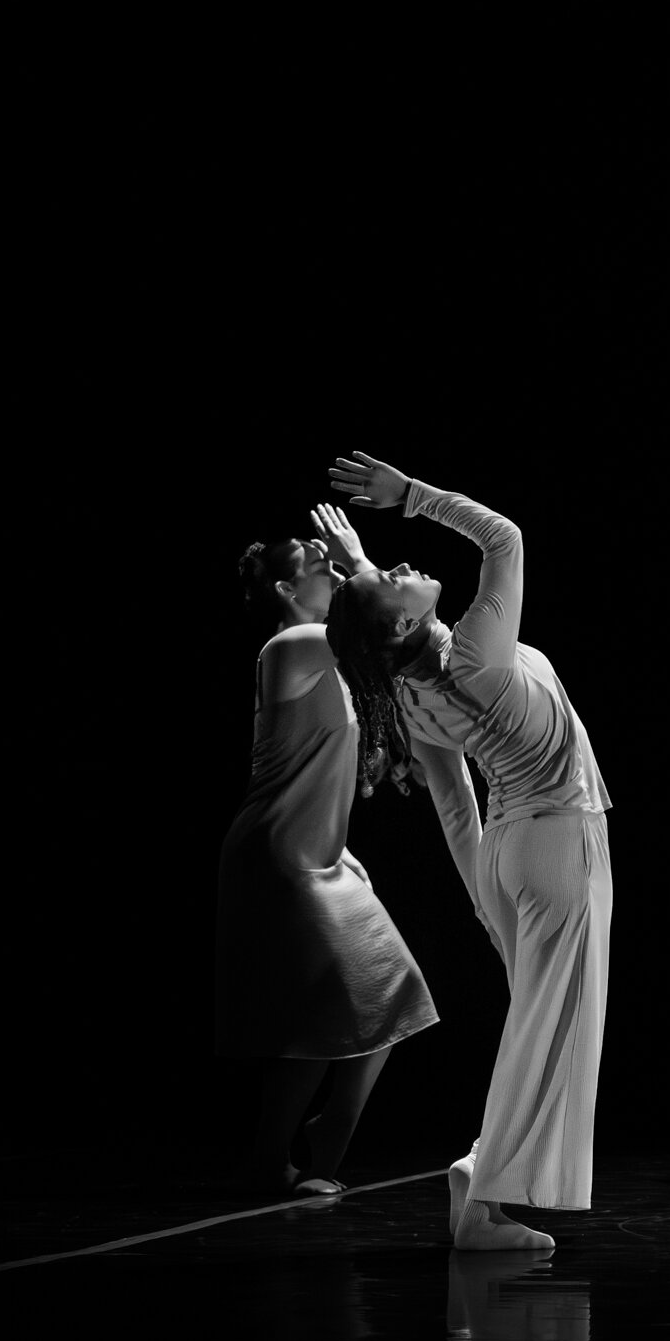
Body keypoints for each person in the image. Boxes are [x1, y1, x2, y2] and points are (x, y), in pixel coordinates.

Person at [323, 452, 614, 1253]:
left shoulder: (411, 686)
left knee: (536, 1021)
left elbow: (456, 808)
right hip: (561, 840)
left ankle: (485, 1174)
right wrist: (410, 497)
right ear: (404, 624)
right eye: (393, 580)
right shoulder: (477, 655)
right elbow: (505, 538)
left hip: (510, 851)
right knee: (552, 1032)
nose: (404, 566)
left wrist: (487, 900)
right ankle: (483, 1194)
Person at [215, 503, 436, 1196]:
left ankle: (328, 1131)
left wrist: (345, 844)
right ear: (288, 591)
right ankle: (271, 1159)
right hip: (279, 855)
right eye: (318, 566)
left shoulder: (326, 654)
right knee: (316, 1018)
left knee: (397, 989)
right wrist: (360, 553)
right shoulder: (293, 646)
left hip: (324, 859)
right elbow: (379, 623)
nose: (331, 568)